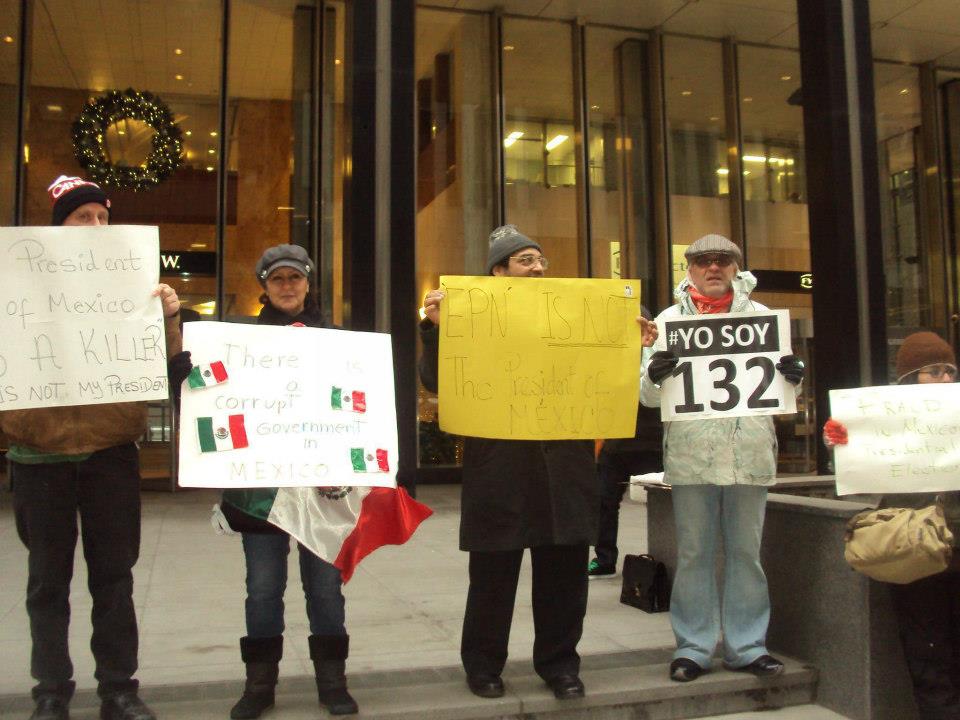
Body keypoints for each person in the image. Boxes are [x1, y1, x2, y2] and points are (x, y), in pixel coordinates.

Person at [419, 224, 658, 701]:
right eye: (525, 260)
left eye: (540, 259)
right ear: (499, 271)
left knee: (564, 580)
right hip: (500, 472)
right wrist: (435, 329)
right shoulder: (472, 318)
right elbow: (436, 380)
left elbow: (615, 377)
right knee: (492, 579)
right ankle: (483, 666)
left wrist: (637, 341)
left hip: (564, 470)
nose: (538, 267)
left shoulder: (574, 313)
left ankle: (560, 666)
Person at [6, 175, 185, 720]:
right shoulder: (16, 283)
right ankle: (51, 690)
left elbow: (163, 369)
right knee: (46, 583)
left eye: (103, 217)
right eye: (83, 217)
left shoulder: (132, 286)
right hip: (39, 455)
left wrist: (169, 317)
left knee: (114, 578)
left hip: (110, 452)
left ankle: (118, 689)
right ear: (58, 226)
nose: (96, 226)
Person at [640, 233, 804, 683]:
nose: (713, 267)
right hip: (691, 456)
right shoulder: (669, 322)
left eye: (722, 260)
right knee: (694, 553)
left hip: (748, 453)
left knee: (746, 553)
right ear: (689, 269)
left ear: (736, 267)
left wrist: (795, 376)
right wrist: (654, 376)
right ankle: (693, 647)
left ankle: (748, 646)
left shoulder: (763, 318)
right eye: (703, 261)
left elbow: (782, 388)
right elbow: (647, 396)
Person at [219, 244, 358, 718]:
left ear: (307, 283)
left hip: (322, 489)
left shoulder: (336, 341)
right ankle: (259, 686)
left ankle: (333, 683)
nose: (286, 286)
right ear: (265, 286)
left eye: (294, 278)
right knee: (262, 590)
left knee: (325, 589)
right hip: (261, 490)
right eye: (277, 279)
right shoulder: (239, 344)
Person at [824, 331, 960, 720]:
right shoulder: (887, 419)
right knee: (928, 649)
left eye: (949, 371)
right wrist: (841, 443)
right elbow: (861, 467)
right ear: (910, 379)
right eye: (934, 371)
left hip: (955, 541)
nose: (945, 379)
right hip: (914, 545)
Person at [588, 306, 663, 579]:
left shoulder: (655, 349)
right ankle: (604, 559)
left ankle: (667, 559)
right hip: (618, 440)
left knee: (666, 502)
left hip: (654, 437)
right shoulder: (606, 353)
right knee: (604, 500)